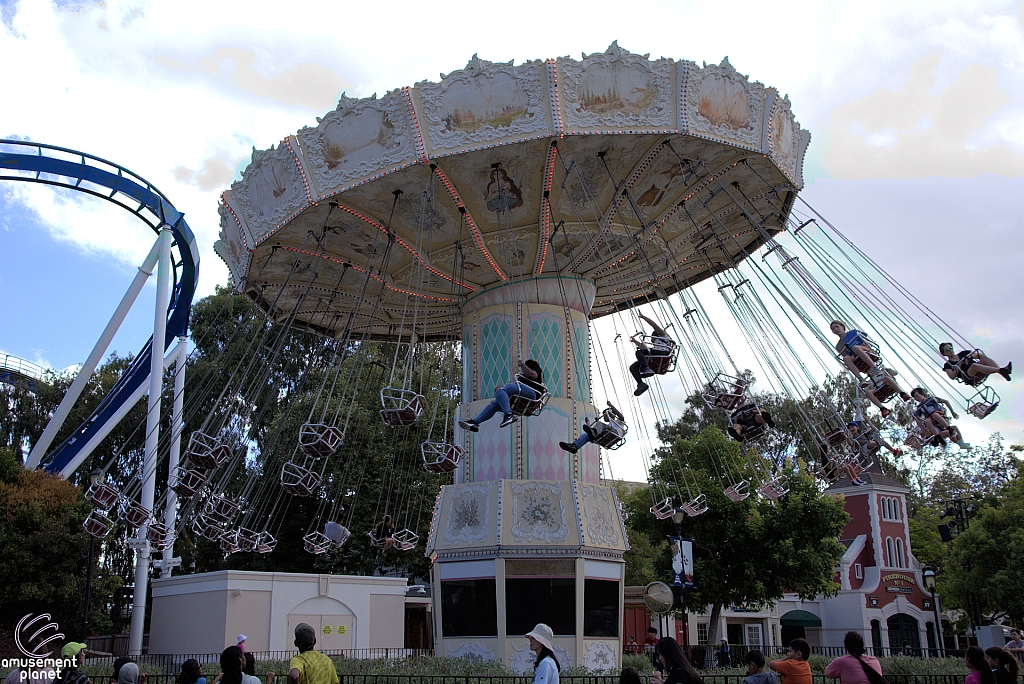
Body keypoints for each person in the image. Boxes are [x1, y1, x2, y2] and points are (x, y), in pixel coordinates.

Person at [460, 359, 545, 430]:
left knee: (501, 389)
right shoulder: (522, 378)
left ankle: (508, 415)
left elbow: (532, 375)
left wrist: (521, 364)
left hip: (531, 393)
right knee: (495, 404)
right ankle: (475, 422)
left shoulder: (535, 369)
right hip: (521, 398)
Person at [630, 314, 674, 396]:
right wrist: (634, 341)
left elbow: (654, 325)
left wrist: (643, 317)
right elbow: (644, 347)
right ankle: (641, 384)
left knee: (639, 352)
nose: (651, 340)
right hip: (657, 355)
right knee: (633, 367)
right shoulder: (656, 346)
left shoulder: (663, 336)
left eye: (652, 338)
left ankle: (647, 368)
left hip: (663, 352)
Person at [560, 402, 626, 453]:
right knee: (586, 436)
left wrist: (611, 405)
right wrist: (588, 423)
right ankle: (574, 446)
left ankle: (593, 432)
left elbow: (622, 417)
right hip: (606, 436)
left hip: (615, 433)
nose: (604, 418)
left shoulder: (618, 421)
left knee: (600, 425)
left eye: (605, 415)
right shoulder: (608, 426)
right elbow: (590, 432)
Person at [940, 343, 1011, 385]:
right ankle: (1000, 370)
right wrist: (961, 363)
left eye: (951, 348)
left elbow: (979, 355)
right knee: (974, 366)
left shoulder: (963, 353)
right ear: (944, 353)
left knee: (984, 358)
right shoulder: (948, 365)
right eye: (947, 350)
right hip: (968, 376)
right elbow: (952, 376)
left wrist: (969, 356)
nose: (950, 351)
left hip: (977, 368)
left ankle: (1002, 371)